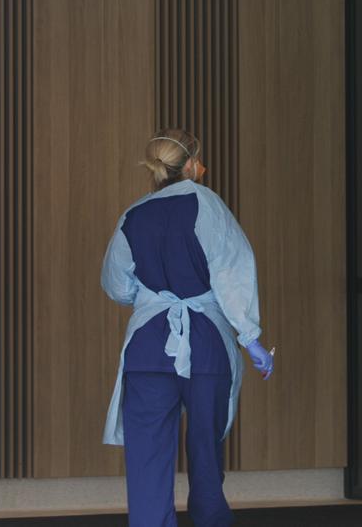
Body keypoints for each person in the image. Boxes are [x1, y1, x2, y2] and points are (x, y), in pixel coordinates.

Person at [101, 128, 274, 527]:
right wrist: (252, 340)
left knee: (146, 461)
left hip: (147, 347)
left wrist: (151, 296)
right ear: (194, 164)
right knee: (205, 455)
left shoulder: (134, 213)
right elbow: (232, 274)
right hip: (205, 344)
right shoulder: (208, 206)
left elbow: (116, 284)